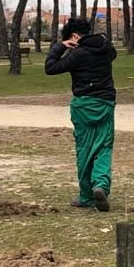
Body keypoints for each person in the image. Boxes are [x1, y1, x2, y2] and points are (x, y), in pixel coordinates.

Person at [45, 17, 117, 212]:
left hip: (83, 104)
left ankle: (86, 196)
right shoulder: (106, 49)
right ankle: (100, 184)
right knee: (103, 146)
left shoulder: (78, 54)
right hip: (105, 103)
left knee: (84, 148)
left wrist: (60, 46)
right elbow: (112, 52)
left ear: (74, 36)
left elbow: (50, 68)